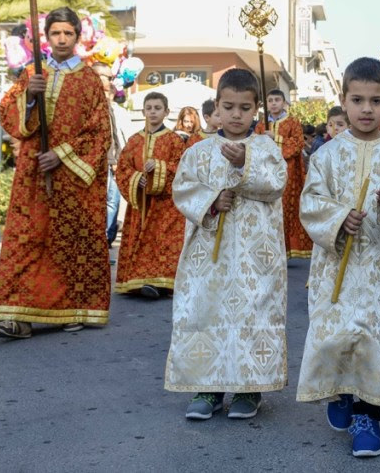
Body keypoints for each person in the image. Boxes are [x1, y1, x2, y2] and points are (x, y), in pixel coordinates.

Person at [297, 58, 380, 458]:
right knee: (336, 335)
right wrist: (339, 218)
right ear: (343, 101)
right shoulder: (327, 154)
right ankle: (339, 390)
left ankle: (367, 414)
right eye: (358, 100)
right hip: (336, 264)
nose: (366, 109)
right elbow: (311, 201)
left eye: (376, 100)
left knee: (377, 338)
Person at [166, 68, 288, 419]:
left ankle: (250, 389)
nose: (236, 115)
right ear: (216, 107)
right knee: (206, 310)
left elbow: (277, 184)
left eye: (245, 108)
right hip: (209, 253)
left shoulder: (266, 147)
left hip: (256, 256)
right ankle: (208, 387)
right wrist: (210, 201)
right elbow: (182, 189)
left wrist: (245, 163)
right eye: (229, 106)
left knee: (254, 312)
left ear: (256, 110)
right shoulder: (199, 151)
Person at [0, 7, 112, 339]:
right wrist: (30, 96)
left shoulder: (88, 80)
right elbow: (7, 116)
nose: (61, 39)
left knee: (68, 245)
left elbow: (99, 133)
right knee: (27, 239)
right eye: (55, 33)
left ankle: (69, 308)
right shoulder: (31, 74)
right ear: (47, 36)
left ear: (77, 36)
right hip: (32, 172)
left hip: (71, 177)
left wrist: (61, 154)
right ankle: (16, 315)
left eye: (67, 33)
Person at [114, 92, 186, 299]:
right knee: (140, 238)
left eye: (157, 108)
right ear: (144, 111)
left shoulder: (174, 140)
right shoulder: (135, 141)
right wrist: (137, 179)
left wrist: (160, 167)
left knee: (162, 241)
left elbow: (182, 168)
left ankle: (162, 281)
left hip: (165, 205)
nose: (153, 112)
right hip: (140, 203)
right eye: (149, 108)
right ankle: (137, 281)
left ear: (166, 112)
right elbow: (123, 169)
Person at [263, 88, 313, 258]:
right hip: (265, 172)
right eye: (270, 100)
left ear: (284, 102)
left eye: (277, 99)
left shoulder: (292, 122)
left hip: (288, 173)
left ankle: (285, 250)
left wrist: (275, 139)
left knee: (285, 210)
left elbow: (298, 143)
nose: (274, 103)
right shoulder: (261, 124)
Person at [92, 62, 134, 252]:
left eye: (111, 77)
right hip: (92, 164)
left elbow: (114, 135)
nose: (110, 81)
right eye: (107, 77)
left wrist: (117, 159)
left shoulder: (109, 106)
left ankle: (105, 243)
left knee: (113, 203)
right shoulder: (87, 103)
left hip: (111, 162)